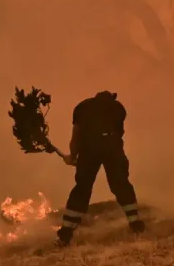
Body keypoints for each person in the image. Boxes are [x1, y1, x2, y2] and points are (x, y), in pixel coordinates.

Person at [57, 91, 145, 246]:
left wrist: (73, 156)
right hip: (112, 147)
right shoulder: (118, 108)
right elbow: (119, 134)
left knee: (82, 189)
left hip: (89, 150)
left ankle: (66, 233)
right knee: (120, 184)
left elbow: (76, 135)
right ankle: (136, 224)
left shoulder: (82, 107)